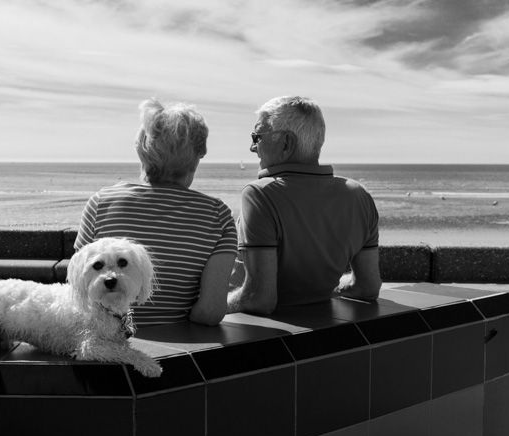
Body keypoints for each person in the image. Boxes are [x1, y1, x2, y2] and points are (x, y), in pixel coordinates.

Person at [74, 98, 238, 327]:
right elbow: (209, 312)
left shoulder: (100, 202)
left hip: (107, 339)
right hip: (180, 346)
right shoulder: (218, 215)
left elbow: (80, 284)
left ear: (142, 152)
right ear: (198, 156)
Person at [228, 96, 381, 315]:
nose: (252, 147)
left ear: (287, 143)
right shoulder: (358, 195)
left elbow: (257, 298)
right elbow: (367, 287)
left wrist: (212, 307)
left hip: (256, 330)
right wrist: (328, 289)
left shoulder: (260, 194)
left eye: (258, 137)